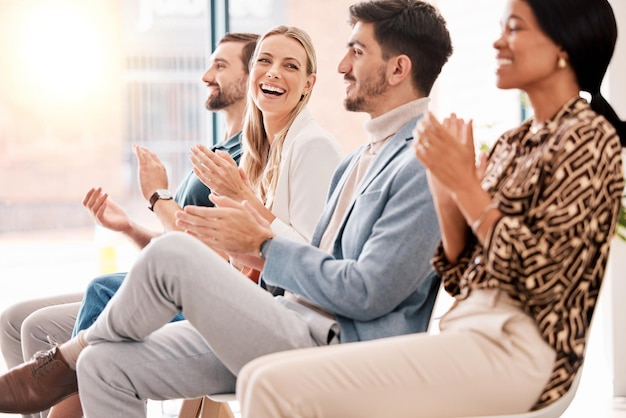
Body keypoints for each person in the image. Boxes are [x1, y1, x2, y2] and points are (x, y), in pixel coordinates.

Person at [0, 3, 452, 416]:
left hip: (336, 344)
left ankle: (62, 362)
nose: (342, 65)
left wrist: (259, 242)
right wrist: (248, 248)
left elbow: (367, 292)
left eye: (356, 51)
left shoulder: (422, 162)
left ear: (397, 68)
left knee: (170, 258)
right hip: (288, 319)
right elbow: (319, 261)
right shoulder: (359, 157)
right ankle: (75, 359)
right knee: (103, 365)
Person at [234, 0, 626, 417]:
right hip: (469, 331)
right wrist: (446, 195)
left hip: (526, 353)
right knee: (262, 378)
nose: (497, 42)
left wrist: (466, 189)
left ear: (561, 47)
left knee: (275, 386)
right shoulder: (514, 143)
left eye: (513, 29)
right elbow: (462, 277)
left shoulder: (590, 138)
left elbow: (543, 276)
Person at [0, 32, 259, 418]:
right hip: (170, 284)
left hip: (199, 299)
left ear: (254, 77)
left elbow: (209, 255)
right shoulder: (216, 151)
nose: (206, 75)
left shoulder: (246, 157)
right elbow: (176, 249)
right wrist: (129, 229)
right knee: (13, 318)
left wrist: (158, 198)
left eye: (220, 65)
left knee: (54, 317)